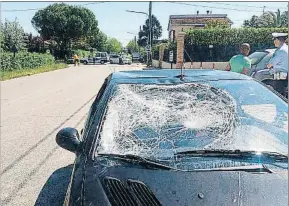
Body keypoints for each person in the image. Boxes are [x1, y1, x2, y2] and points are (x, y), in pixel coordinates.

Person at [266, 33, 288, 97]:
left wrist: (269, 66)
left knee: (279, 97)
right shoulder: (286, 48)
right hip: (285, 77)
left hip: (280, 79)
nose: (274, 41)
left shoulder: (280, 51)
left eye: (275, 39)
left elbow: (269, 64)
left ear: (278, 40)